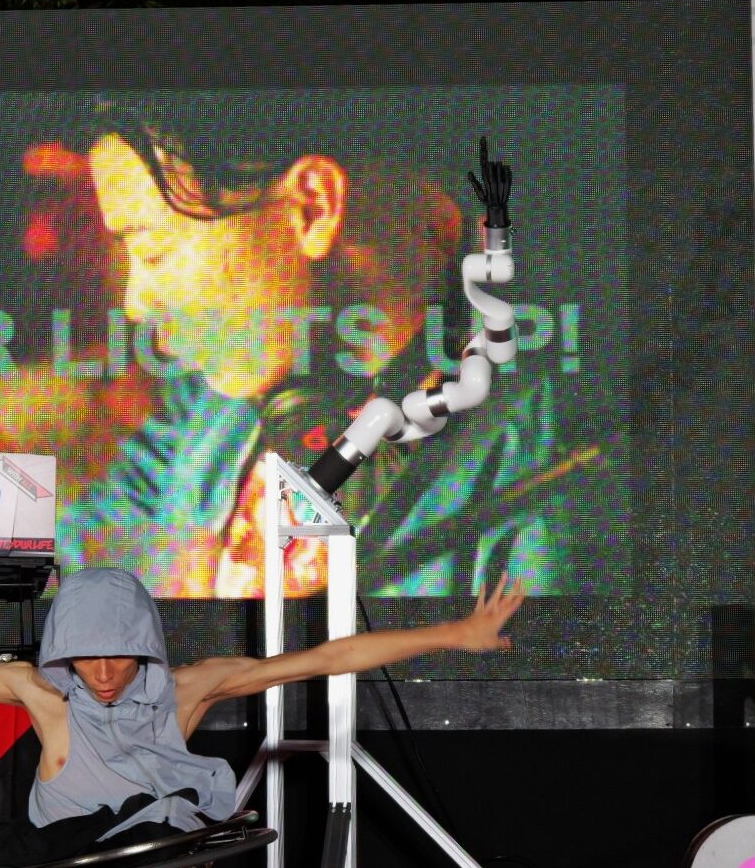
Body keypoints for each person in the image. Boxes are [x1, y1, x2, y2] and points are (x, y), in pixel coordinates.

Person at [63, 93, 598, 599]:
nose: (135, 302)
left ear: (314, 207)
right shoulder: (208, 404)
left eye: (153, 251)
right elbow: (79, 545)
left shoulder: (551, 467)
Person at [0, 566, 525, 857]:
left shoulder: (186, 689)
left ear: (143, 649)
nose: (103, 674)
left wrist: (453, 634)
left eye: (118, 656)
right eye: (88, 657)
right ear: (65, 655)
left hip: (160, 858)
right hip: (69, 863)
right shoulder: (42, 694)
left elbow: (321, 658)